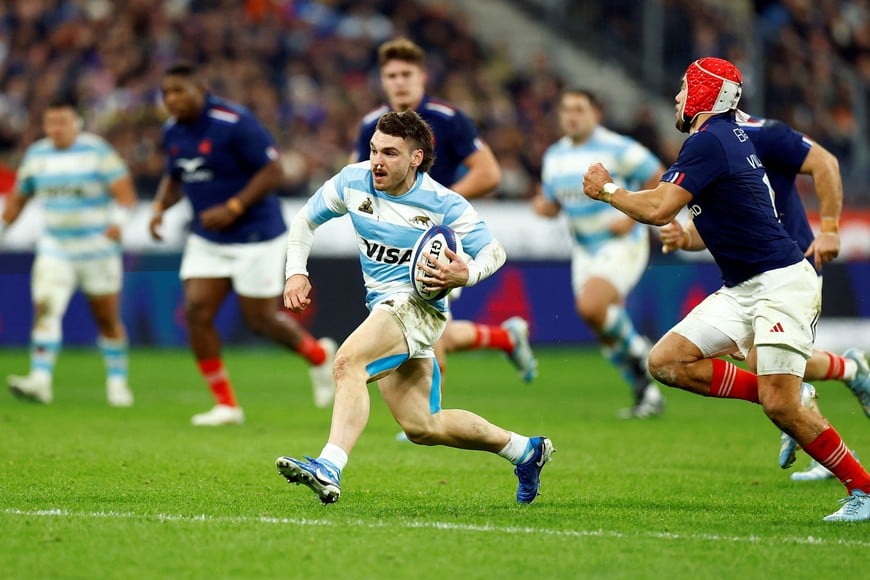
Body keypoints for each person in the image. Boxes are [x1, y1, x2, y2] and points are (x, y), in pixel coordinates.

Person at [582, 57, 870, 522]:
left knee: (782, 405)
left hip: (780, 283)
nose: (677, 97)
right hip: (743, 286)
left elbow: (658, 208)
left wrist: (608, 190)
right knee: (667, 361)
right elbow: (726, 219)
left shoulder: (709, 142)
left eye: (683, 88)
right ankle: (783, 395)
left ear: (703, 94)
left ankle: (865, 489)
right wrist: (685, 233)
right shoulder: (727, 138)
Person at [276, 110, 553, 504]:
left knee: (346, 363)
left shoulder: (443, 203)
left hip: (419, 307)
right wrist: (295, 273)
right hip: (383, 308)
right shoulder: (353, 181)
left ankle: (329, 465)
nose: (377, 161)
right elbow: (305, 220)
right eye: (374, 150)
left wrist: (466, 275)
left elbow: (494, 251)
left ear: (416, 158)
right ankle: (525, 451)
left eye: (390, 153)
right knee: (424, 425)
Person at [659, 109, 870, 480]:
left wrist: (831, 228)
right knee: (767, 375)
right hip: (748, 277)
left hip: (791, 263)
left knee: (769, 376)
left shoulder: (761, 134)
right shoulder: (708, 144)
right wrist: (685, 237)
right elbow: (713, 223)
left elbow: (825, 162)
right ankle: (846, 377)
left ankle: (837, 438)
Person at [149, 63, 336, 426]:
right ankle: (226, 405)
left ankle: (317, 355)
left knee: (261, 320)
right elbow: (176, 176)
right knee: (196, 311)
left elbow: (273, 170)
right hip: (208, 237)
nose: (172, 99)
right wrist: (159, 208)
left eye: (179, 91)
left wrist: (234, 206)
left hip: (257, 235)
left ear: (200, 87)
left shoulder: (234, 122)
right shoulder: (171, 131)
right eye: (166, 93)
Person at [351, 37, 537, 386]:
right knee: (436, 332)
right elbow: (355, 180)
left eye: (407, 73)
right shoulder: (371, 126)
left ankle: (425, 423)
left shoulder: (447, 119)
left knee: (427, 333)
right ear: (383, 80)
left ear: (421, 77)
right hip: (393, 244)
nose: (399, 82)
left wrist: (436, 205)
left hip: (437, 242)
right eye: (392, 75)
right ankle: (507, 339)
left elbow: (489, 173)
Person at [534, 88, 666, 419]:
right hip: (584, 248)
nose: (571, 116)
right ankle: (645, 391)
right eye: (566, 109)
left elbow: (658, 175)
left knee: (591, 305)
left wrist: (631, 213)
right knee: (598, 322)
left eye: (579, 109)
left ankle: (640, 351)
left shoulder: (617, 147)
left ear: (596, 113)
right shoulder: (554, 156)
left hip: (621, 242)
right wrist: (544, 207)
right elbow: (551, 202)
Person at [0, 97, 136, 407]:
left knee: (106, 317)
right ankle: (40, 380)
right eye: (51, 123)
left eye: (63, 122)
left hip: (97, 249)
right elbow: (19, 199)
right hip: (55, 246)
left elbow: (124, 192)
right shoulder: (37, 155)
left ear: (77, 123)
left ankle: (117, 383)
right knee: (46, 308)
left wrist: (119, 222)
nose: (57, 129)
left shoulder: (97, 152)